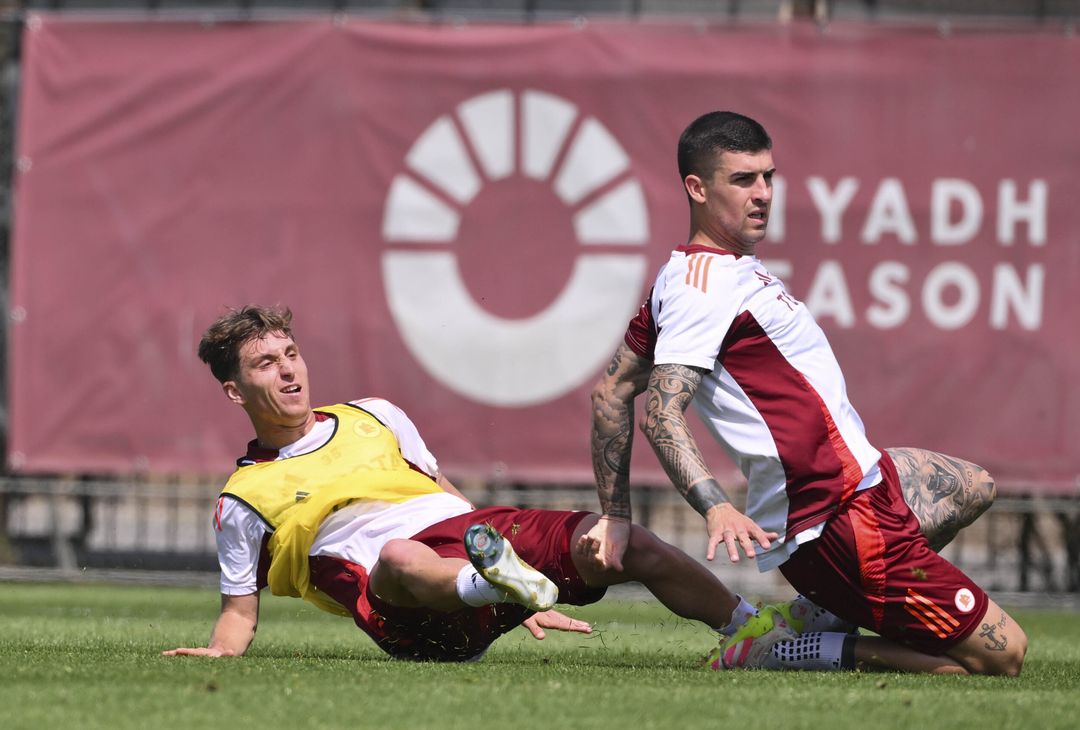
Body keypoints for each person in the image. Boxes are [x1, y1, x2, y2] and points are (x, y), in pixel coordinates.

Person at [579, 111, 1027, 675]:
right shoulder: (703, 288)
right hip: (835, 516)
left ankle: (824, 610)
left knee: (971, 486)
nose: (763, 194)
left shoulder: (702, 272)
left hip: (867, 482)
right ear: (696, 188)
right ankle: (783, 650)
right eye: (743, 180)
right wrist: (715, 505)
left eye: (768, 176)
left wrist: (615, 514)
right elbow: (661, 413)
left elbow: (610, 392)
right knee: (1002, 657)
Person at [164, 305, 768, 663]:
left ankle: (755, 631)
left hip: (467, 545)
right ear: (235, 391)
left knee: (620, 540)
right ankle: (492, 584)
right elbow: (239, 612)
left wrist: (517, 585)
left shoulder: (374, 414)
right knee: (400, 555)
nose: (288, 369)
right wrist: (221, 653)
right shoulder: (242, 500)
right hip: (405, 608)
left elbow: (449, 497)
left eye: (290, 353)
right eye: (266, 364)